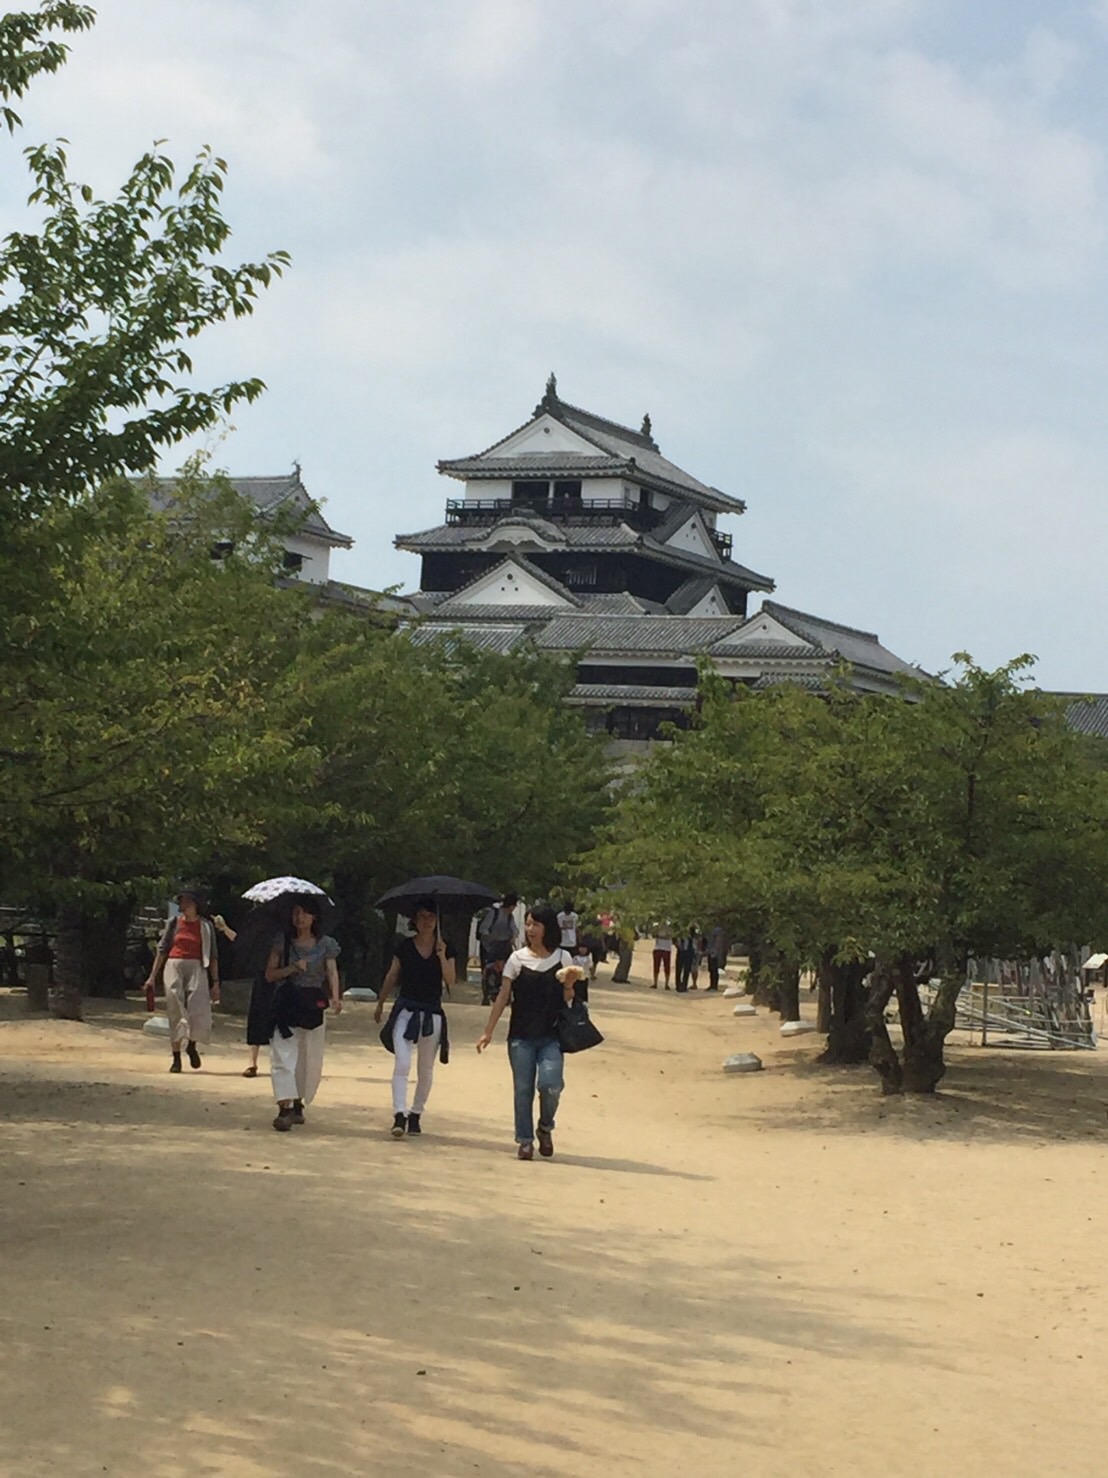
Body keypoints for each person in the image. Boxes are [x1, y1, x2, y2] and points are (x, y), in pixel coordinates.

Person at [476, 904, 585, 1160]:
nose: (530, 929)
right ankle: (525, 1141)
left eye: (536, 924)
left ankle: (545, 1126)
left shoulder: (563, 959)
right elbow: (503, 997)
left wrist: (569, 985)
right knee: (523, 1089)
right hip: (521, 1036)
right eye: (527, 923)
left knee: (551, 1085)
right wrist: (488, 1031)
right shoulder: (517, 959)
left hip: (551, 1036)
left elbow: (570, 1000)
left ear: (548, 928)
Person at [374, 898, 456, 1138]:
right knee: (402, 1062)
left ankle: (416, 1113)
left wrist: (442, 956)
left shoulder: (446, 947)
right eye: (422, 917)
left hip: (432, 1012)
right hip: (406, 1010)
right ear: (415, 920)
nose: (427, 921)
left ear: (437, 920)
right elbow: (392, 975)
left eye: (431, 917)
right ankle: (399, 1113)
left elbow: (451, 981)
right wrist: (381, 1002)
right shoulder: (404, 946)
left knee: (425, 1068)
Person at [265, 898, 341, 1132]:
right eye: (296, 912)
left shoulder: (326, 944)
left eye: (305, 913)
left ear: (314, 917)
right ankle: (284, 1107)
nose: (300, 918)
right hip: (286, 1004)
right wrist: (292, 968)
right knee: (282, 1054)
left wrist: (335, 996)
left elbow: (331, 971)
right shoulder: (282, 941)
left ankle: (299, 1102)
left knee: (308, 1056)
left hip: (312, 1005)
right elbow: (269, 974)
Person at [145, 890, 220, 1072]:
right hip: (174, 964)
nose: (183, 906)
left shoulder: (206, 926)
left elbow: (213, 956)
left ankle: (192, 1045)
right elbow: (162, 950)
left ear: (196, 905)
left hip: (197, 966)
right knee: (175, 1009)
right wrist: (152, 976)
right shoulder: (174, 923)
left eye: (187, 902)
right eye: (182, 902)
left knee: (198, 1009)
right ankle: (176, 1057)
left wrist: (215, 982)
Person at [478, 892, 519, 1006]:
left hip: (503, 947)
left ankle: (504, 994)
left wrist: (513, 936)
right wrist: (492, 938)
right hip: (488, 947)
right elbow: (483, 929)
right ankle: (486, 995)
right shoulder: (494, 913)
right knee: (486, 970)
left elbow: (515, 930)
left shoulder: (510, 917)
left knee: (505, 970)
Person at [705, 925, 726, 991]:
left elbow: (718, 944)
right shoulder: (711, 930)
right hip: (711, 952)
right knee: (711, 970)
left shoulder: (718, 931)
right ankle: (712, 985)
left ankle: (714, 986)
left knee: (714, 970)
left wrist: (716, 953)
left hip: (714, 954)